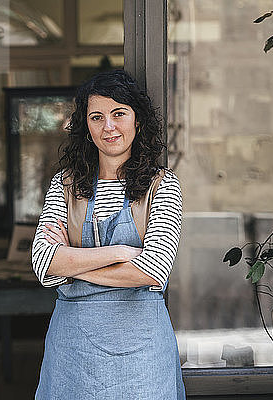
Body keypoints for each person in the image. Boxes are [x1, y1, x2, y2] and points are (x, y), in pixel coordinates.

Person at [31, 69, 186, 399]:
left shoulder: (163, 186)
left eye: (119, 114)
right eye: (96, 117)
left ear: (137, 121)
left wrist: (72, 266)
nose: (109, 127)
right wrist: (119, 254)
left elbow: (154, 269)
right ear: (86, 127)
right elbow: (43, 267)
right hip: (73, 350)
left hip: (141, 353)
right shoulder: (65, 185)